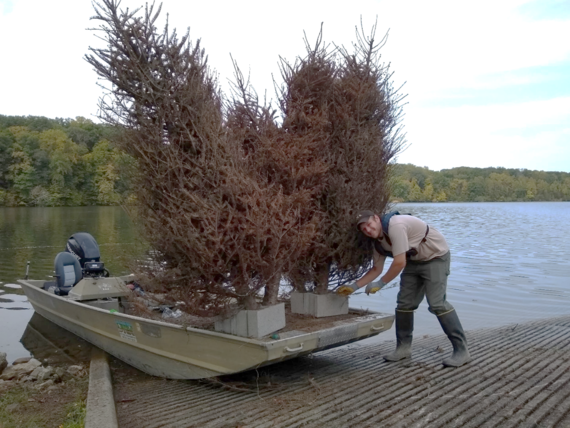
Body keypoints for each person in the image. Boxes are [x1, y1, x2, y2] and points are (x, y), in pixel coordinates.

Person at [337, 210, 471, 367]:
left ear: (376, 219)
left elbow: (399, 262)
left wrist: (380, 284)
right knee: (404, 304)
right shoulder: (378, 243)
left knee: (437, 304)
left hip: (435, 257)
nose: (367, 229)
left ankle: (462, 351)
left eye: (368, 224)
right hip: (414, 262)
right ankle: (403, 348)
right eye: (363, 228)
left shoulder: (396, 226)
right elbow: (376, 269)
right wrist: (353, 286)